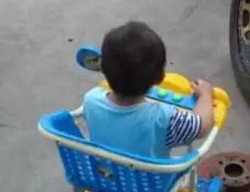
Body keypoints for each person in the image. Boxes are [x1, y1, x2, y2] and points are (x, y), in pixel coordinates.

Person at [83, 21, 214, 158]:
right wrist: (205, 95)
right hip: (151, 179)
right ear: (159, 78)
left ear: (102, 68)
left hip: (105, 175)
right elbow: (202, 126)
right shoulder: (165, 119)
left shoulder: (91, 100)